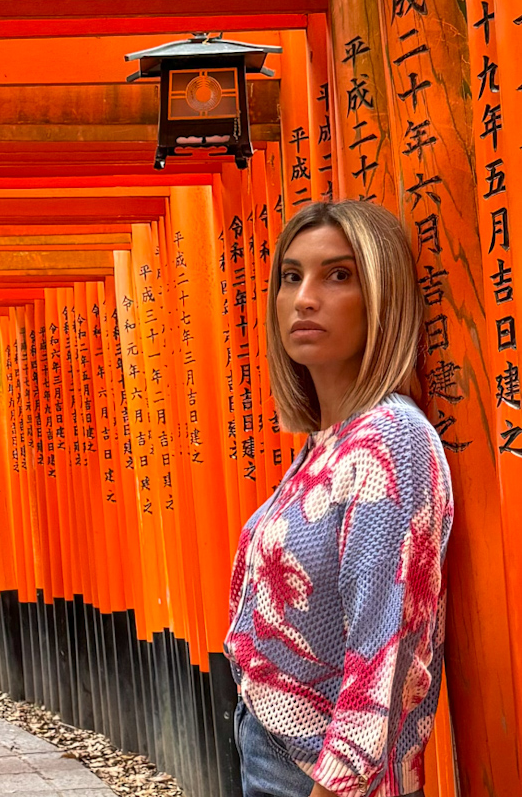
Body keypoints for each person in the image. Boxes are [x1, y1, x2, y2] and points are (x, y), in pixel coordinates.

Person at [224, 200, 453, 797]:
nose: (304, 298)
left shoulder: (389, 441)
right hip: (273, 749)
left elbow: (386, 646)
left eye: (339, 275)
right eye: (292, 277)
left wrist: (339, 785)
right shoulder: (330, 443)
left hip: (319, 776)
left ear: (383, 295)